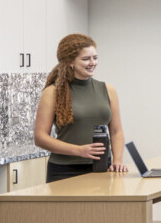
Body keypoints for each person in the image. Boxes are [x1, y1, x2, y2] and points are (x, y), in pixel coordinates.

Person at [33, 33, 129, 182]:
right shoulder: (52, 92)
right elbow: (40, 137)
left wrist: (117, 160)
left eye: (95, 58)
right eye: (86, 59)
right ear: (70, 61)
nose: (93, 62)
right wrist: (79, 150)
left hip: (102, 169)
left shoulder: (108, 90)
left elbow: (116, 131)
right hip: (64, 171)